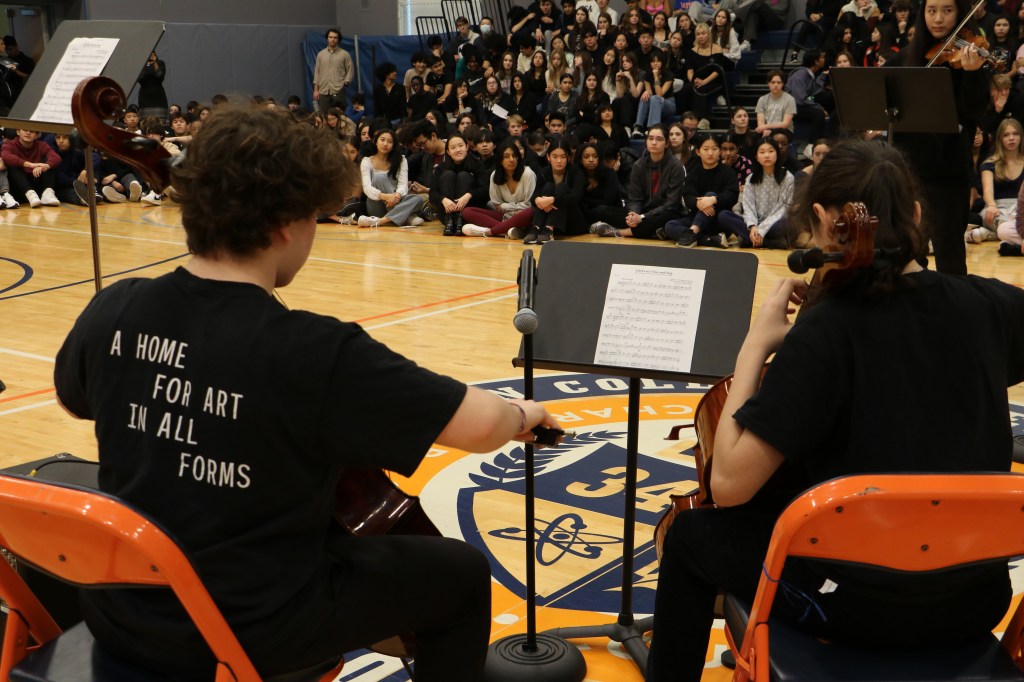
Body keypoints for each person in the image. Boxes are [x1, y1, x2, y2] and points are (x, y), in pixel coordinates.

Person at [53, 104, 558, 682]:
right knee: (459, 576)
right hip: (246, 628)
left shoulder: (116, 305)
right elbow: (482, 427)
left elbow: (73, 400)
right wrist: (522, 412)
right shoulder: (314, 350)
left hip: (122, 611)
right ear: (284, 224)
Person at [647, 137, 1024, 682]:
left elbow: (728, 485)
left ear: (824, 220)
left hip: (855, 608)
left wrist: (755, 345)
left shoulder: (825, 333)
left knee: (689, 537)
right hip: (975, 599)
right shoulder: (991, 305)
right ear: (918, 216)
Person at [888, 0, 988, 275]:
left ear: (960, 13)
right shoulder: (905, 58)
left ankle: (952, 303)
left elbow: (975, 112)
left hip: (949, 172)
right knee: (910, 254)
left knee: (950, 257)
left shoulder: (969, 58)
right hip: (908, 171)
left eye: (947, 10)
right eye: (932, 11)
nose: (938, 18)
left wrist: (973, 75)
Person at [588, 123, 685, 238]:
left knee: (667, 218)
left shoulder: (675, 166)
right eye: (650, 138)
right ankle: (654, 232)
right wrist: (633, 215)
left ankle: (619, 232)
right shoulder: (638, 165)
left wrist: (642, 217)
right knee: (601, 211)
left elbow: (671, 204)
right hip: (642, 213)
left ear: (667, 143)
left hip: (663, 213)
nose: (654, 142)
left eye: (659, 139)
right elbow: (634, 199)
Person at [664, 132, 740, 246]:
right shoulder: (693, 173)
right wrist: (699, 202)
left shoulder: (728, 172)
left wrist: (713, 200)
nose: (710, 153)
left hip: (719, 221)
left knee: (710, 194)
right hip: (697, 218)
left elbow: (732, 196)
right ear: (698, 152)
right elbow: (688, 197)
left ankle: (692, 233)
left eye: (714, 149)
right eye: (706, 149)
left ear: (719, 151)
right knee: (669, 226)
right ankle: (711, 240)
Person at [718, 136, 794, 248]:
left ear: (777, 154)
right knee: (723, 216)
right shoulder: (751, 178)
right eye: (762, 152)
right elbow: (748, 206)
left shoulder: (787, 177)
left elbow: (783, 209)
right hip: (755, 223)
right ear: (756, 157)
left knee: (786, 222)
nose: (766, 155)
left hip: (775, 224)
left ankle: (748, 239)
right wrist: (753, 226)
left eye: (771, 151)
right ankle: (770, 242)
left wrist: (762, 230)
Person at [461, 139, 538, 238]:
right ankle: (510, 230)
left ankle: (489, 232)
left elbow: (529, 205)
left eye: (514, 156)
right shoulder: (495, 175)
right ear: (500, 160)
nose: (511, 159)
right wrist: (508, 208)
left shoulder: (527, 173)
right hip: (505, 216)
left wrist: (505, 207)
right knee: (467, 211)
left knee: (528, 212)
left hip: (523, 217)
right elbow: (496, 204)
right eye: (506, 156)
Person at [357, 128, 427, 229]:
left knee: (418, 199)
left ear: (394, 145)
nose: (385, 144)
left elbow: (403, 185)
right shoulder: (366, 161)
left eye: (390, 141)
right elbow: (367, 188)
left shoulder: (401, 160)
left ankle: (380, 221)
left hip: (396, 200)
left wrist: (397, 195)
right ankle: (406, 216)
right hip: (376, 206)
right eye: (382, 140)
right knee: (379, 177)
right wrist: (386, 197)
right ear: (375, 141)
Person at [970, 117, 1024, 244]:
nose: (1011, 138)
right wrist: (992, 205)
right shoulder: (989, 164)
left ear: (1021, 137)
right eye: (1006, 135)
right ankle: (1005, 234)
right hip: (996, 208)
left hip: (1020, 208)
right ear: (1000, 138)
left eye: (1015, 134)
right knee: (998, 222)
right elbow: (988, 192)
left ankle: (991, 234)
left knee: (1008, 227)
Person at [523, 138, 587, 243]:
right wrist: (538, 200)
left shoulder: (576, 172)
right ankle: (536, 228)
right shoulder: (543, 172)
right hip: (551, 222)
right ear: (548, 157)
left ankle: (549, 229)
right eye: (555, 157)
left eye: (563, 157)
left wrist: (552, 200)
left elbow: (575, 197)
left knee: (561, 187)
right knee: (549, 186)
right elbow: (535, 194)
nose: (559, 161)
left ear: (568, 157)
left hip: (573, 222)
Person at [429, 133, 488, 236]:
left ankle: (460, 219)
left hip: (469, 211)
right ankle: (450, 220)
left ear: (467, 147)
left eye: (460, 146)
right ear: (448, 152)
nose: (458, 150)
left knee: (463, 176)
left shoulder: (477, 165)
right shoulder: (441, 168)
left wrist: (469, 195)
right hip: (447, 213)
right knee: (448, 175)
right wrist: (443, 199)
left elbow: (485, 190)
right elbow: (432, 194)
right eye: (453, 148)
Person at [1, 129, 61, 207]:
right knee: (13, 163)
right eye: (25, 130)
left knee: (49, 163)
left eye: (32, 131)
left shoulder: (42, 145)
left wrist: (44, 166)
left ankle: (48, 193)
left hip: (36, 186)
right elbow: (5, 156)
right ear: (18, 132)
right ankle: (29, 193)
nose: (28, 133)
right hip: (19, 187)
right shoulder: (10, 144)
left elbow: (56, 158)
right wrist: (31, 165)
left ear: (37, 135)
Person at [312, 28, 354, 112]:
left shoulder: (344, 54)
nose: (332, 39)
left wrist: (345, 83)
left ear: (338, 39)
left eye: (335, 37)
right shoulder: (321, 54)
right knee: (324, 114)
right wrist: (316, 90)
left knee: (339, 114)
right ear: (327, 38)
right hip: (323, 91)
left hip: (338, 90)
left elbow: (350, 70)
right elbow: (317, 73)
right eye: (330, 37)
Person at [136, 51, 168, 123]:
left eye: (151, 54)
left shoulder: (160, 63)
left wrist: (154, 62)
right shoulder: (141, 65)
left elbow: (160, 77)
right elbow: (140, 79)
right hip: (145, 97)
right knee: (146, 123)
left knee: (160, 123)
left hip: (158, 97)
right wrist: (146, 63)